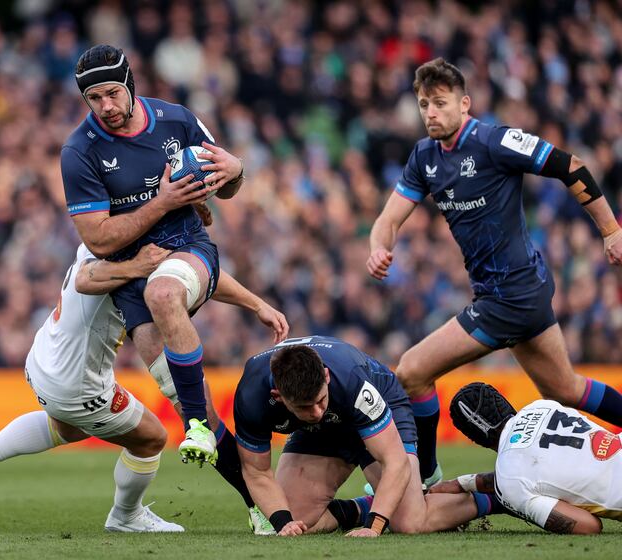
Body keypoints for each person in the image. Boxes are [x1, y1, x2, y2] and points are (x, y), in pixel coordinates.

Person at [366, 57, 622, 488]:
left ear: (464, 104)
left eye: (440, 103)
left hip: (510, 296)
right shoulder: (424, 156)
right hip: (516, 292)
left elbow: (570, 164)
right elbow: (388, 219)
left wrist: (611, 230)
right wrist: (378, 246)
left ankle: (424, 477)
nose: (430, 112)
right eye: (424, 103)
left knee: (411, 371)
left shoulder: (493, 141)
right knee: (566, 390)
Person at [0, 243, 288, 533]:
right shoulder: (140, 263)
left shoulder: (100, 238)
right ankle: (125, 516)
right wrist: (189, 396)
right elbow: (106, 287)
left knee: (65, 426)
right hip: (77, 383)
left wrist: (255, 303)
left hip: (43, 358)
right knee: (150, 438)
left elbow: (200, 272)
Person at [61, 44, 246, 466]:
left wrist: (236, 171)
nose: (105, 106)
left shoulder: (177, 120)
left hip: (186, 246)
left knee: (163, 294)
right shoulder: (79, 152)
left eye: (112, 94)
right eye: (94, 98)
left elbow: (227, 185)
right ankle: (260, 506)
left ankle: (196, 424)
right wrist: (162, 201)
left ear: (129, 84)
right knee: (189, 403)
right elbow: (100, 244)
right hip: (131, 279)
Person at [233, 336, 505, 537]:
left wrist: (375, 526)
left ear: (325, 377)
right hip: (327, 432)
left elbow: (394, 461)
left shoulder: (350, 379)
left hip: (383, 408)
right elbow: (256, 472)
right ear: (278, 396)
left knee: (409, 522)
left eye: (320, 400)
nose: (316, 411)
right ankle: (361, 507)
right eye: (304, 407)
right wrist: (284, 523)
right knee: (296, 519)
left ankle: (500, 497)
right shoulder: (250, 397)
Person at [434, 382, 622, 534]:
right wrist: (464, 483)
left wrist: (520, 504)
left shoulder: (510, 480)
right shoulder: (542, 406)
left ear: (474, 438)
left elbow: (588, 526)